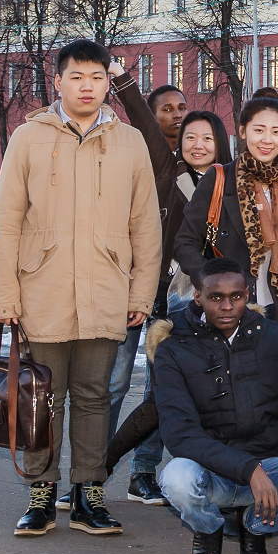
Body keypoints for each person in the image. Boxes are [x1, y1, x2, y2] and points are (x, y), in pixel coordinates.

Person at [0, 39, 161, 538]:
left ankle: (90, 496)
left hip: (107, 288)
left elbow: (145, 225)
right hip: (41, 288)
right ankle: (41, 494)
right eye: (77, 77)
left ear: (109, 83)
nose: (87, 87)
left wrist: (141, 293)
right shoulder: (29, 138)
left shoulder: (129, 142)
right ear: (58, 82)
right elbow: (6, 222)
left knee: (93, 397)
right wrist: (5, 295)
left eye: (97, 78)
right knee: (43, 397)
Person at [156, 258, 278, 554]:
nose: (227, 306)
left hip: (267, 468)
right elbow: (179, 434)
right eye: (216, 297)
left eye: (236, 296)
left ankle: (254, 527)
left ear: (248, 293)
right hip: (209, 470)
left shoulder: (275, 337)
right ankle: (208, 528)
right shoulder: (173, 347)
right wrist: (248, 469)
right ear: (197, 296)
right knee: (176, 479)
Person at [118, 107, 232, 505]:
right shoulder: (170, 177)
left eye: (206, 138)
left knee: (215, 390)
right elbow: (148, 128)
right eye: (189, 138)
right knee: (162, 388)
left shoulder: (231, 183)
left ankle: (207, 469)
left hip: (225, 303)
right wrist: (120, 80)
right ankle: (142, 470)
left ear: (220, 142)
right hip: (174, 297)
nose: (197, 145)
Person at [102, 67, 187, 486]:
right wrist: (122, 82)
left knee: (159, 392)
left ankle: (142, 471)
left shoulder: (202, 171)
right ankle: (92, 471)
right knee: (114, 383)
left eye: (182, 107)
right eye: (166, 110)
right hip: (132, 286)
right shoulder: (149, 158)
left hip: (172, 295)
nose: (177, 115)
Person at [173, 98, 278, 328]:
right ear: (243, 131)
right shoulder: (219, 179)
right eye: (259, 130)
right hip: (228, 310)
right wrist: (213, 283)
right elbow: (184, 243)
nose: (267, 140)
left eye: (276, 132)